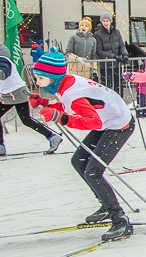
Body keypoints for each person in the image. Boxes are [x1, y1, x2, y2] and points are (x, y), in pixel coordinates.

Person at [30, 48, 136, 241]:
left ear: (52, 77)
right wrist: (47, 103)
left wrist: (60, 117)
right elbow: (70, 105)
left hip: (119, 125)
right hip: (107, 122)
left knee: (93, 172)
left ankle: (120, 220)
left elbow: (91, 121)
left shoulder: (72, 91)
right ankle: (105, 203)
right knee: (79, 162)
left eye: (40, 78)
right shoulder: (63, 83)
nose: (36, 82)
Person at [0, 31, 62, 159]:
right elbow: (5, 79)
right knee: (16, 118)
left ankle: (0, 145)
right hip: (10, 94)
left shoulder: (0, 59)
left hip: (17, 93)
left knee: (9, 117)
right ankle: (52, 137)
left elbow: (3, 74)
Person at [94, 14, 129, 94]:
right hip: (106, 65)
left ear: (110, 21)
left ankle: (119, 102)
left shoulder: (116, 32)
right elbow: (99, 51)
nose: (105, 23)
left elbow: (121, 45)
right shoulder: (98, 34)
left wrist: (124, 54)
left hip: (117, 64)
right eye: (104, 21)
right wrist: (113, 56)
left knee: (119, 86)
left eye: (107, 21)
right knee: (107, 86)